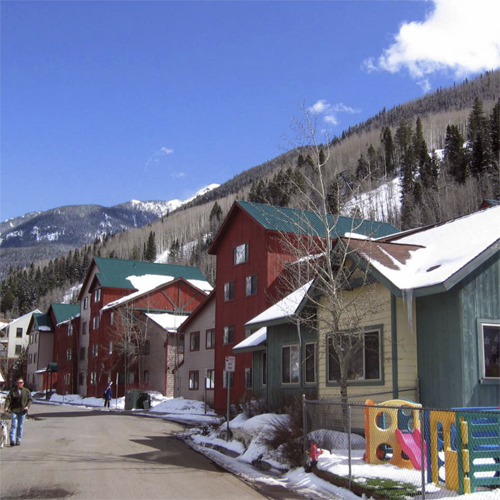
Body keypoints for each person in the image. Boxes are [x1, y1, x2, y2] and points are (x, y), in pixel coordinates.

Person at [4, 377, 32, 446]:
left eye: (21, 383)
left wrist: (27, 406)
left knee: (20, 426)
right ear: (16, 384)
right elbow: (8, 399)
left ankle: (18, 440)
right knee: (14, 425)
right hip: (14, 410)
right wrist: (6, 407)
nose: (19, 384)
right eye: (18, 383)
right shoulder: (13, 391)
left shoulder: (26, 391)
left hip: (22, 411)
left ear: (23, 383)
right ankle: (12, 440)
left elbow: (30, 400)